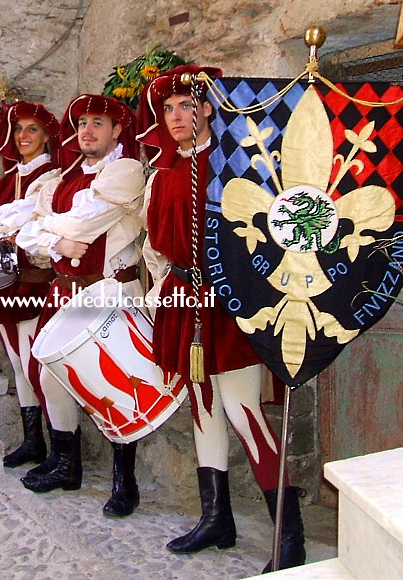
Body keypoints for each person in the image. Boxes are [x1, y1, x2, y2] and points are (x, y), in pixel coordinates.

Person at [136, 65, 306, 570]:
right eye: (167, 109)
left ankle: (289, 537)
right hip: (184, 298)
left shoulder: (237, 163)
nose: (175, 117)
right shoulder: (163, 174)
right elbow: (156, 249)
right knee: (204, 407)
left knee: (241, 408)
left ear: (209, 108)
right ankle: (218, 519)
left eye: (186, 106)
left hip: (231, 301)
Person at [16, 94, 146, 517]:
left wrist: (52, 228)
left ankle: (124, 482)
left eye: (98, 123)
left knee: (115, 381)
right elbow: (25, 233)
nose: (87, 130)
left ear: (117, 130)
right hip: (65, 288)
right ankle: (66, 463)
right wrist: (55, 241)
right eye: (82, 123)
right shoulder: (62, 176)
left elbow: (81, 223)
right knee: (52, 375)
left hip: (109, 289)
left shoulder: (125, 172)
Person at [0, 101, 61, 470]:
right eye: (19, 129)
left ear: (46, 135)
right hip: (4, 284)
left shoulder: (53, 176)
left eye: (32, 129)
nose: (23, 136)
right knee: (19, 365)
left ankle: (59, 449)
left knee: (37, 364)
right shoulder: (3, 182)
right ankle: (32, 441)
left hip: (34, 283)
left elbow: (26, 224)